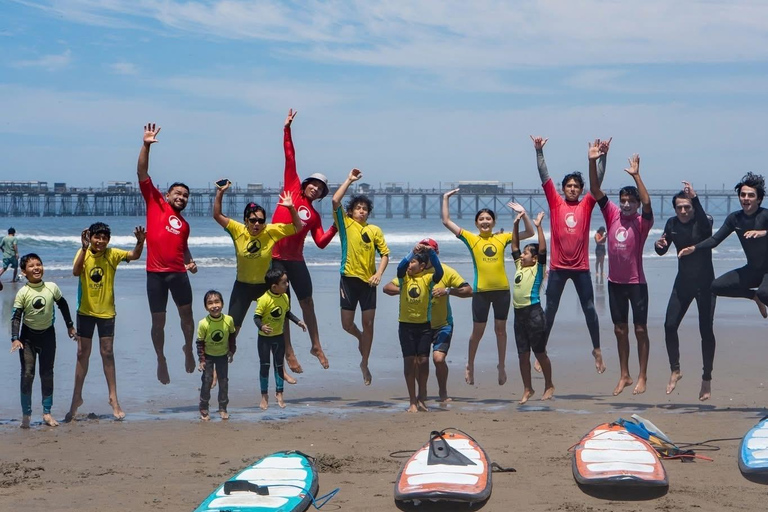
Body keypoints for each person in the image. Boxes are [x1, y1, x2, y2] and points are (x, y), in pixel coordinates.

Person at [531, 136, 610, 373]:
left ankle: (597, 350)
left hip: (581, 269)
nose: (573, 189)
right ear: (563, 189)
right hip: (557, 268)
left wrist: (602, 157)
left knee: (589, 310)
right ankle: (541, 351)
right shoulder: (555, 203)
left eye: (576, 186)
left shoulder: (587, 203)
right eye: (569, 186)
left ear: (582, 190)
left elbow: (598, 181)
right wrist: (539, 151)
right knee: (550, 311)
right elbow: (544, 176)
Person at [441, 188, 533, 386]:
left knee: (501, 331)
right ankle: (470, 365)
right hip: (481, 292)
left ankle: (501, 365)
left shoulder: (502, 237)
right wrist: (445, 198)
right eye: (481, 219)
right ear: (476, 223)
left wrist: (523, 214)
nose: (485, 221)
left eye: (488, 219)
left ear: (494, 222)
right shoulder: (471, 239)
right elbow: (446, 221)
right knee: (478, 332)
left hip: (502, 291)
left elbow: (529, 232)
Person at [271, 109, 336, 378]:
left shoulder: (316, 216)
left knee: (307, 301)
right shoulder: (292, 186)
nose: (316, 189)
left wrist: (336, 227)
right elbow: (290, 156)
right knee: (283, 307)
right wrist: (287, 129)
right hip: (275, 257)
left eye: (321, 189)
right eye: (314, 185)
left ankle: (316, 345)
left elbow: (320, 242)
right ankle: (289, 351)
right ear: (307, 183)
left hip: (296, 260)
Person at [66, 223, 146, 422]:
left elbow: (134, 255)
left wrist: (140, 242)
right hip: (85, 311)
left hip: (107, 313)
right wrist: (84, 248)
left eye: (104, 238)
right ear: (90, 237)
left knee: (107, 353)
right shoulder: (83, 253)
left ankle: (113, 398)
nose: (100, 241)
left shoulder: (112, 254)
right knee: (82, 353)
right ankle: (76, 397)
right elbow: (76, 271)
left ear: (108, 240)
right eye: (97, 237)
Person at [138, 123, 198, 385]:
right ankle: (160, 358)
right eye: (178, 193)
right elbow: (142, 172)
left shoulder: (185, 225)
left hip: (178, 275)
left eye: (185, 196)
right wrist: (146, 145)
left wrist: (190, 261)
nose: (182, 197)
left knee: (188, 318)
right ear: (167, 194)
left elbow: (183, 247)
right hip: (155, 276)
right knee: (158, 322)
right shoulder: (156, 203)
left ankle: (188, 347)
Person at [589, 151, 653, 396]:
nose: (626, 204)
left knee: (640, 330)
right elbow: (595, 190)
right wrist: (592, 161)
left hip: (636, 283)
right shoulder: (612, 214)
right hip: (614, 283)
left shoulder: (642, 222)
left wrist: (637, 176)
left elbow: (648, 203)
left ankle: (642, 375)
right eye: (623, 200)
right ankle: (624, 375)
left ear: (636, 204)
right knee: (619, 330)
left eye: (630, 201)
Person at [383, 238, 472, 402]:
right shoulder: (413, 271)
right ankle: (422, 392)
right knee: (418, 361)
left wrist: (447, 290)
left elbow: (469, 290)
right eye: (421, 251)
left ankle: (443, 392)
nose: (424, 254)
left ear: (436, 253)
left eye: (428, 251)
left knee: (438, 359)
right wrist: (406, 290)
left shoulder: (445, 271)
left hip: (442, 324)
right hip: (420, 325)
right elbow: (387, 287)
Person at [213, 182, 302, 337]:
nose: (257, 224)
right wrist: (220, 193)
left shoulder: (270, 231)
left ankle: (278, 350)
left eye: (261, 221)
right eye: (253, 220)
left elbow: (297, 227)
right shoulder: (237, 229)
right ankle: (229, 350)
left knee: (273, 325)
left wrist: (291, 208)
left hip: (265, 287)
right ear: (246, 220)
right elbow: (217, 215)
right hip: (242, 286)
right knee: (232, 330)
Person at [655, 182, 716, 401]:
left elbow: (708, 230)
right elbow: (662, 249)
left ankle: (706, 378)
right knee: (669, 325)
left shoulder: (703, 221)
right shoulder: (671, 223)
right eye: (679, 207)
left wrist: (695, 198)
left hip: (706, 285)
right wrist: (659, 245)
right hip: (683, 283)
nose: (683, 211)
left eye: (687, 207)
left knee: (705, 330)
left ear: (693, 207)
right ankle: (675, 370)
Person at [679, 172, 768, 322]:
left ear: (758, 199)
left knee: (764, 293)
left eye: (751, 195)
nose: (746, 198)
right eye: (743, 195)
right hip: (752, 270)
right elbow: (715, 240)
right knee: (717, 286)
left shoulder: (765, 215)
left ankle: (760, 296)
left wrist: (764, 233)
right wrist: (694, 248)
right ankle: (754, 297)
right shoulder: (735, 218)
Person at [332, 169, 390, 385]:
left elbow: (385, 255)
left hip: (368, 283)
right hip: (348, 280)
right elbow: (335, 200)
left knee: (369, 324)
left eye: (365, 209)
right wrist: (349, 180)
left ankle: (364, 363)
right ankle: (359, 338)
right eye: (358, 208)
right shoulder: (345, 224)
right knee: (347, 325)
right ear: (351, 211)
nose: (362, 212)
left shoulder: (375, 230)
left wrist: (378, 273)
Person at [10, 254, 77, 428]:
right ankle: (26, 415)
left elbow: (63, 305)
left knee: (47, 374)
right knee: (27, 374)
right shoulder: (23, 292)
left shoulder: (51, 287)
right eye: (31, 266)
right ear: (24, 272)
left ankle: (47, 413)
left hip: (48, 336)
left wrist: (70, 326)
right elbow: (16, 317)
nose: (36, 268)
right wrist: (15, 339)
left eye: (38, 264)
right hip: (27, 339)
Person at [384, 244, 444, 412]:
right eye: (410, 262)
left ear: (422, 266)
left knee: (423, 361)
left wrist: (430, 252)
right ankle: (412, 401)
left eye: (413, 262)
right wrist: (412, 252)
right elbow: (400, 267)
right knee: (410, 362)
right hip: (406, 326)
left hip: (424, 326)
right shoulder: (404, 279)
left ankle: (422, 396)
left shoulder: (428, 279)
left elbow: (439, 272)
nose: (410, 265)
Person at [512, 211, 554, 404]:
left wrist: (538, 227)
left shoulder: (538, 269)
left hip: (534, 314)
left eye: (526, 253)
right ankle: (527, 388)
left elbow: (543, 250)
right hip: (518, 315)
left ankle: (549, 384)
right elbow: (514, 246)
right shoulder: (519, 267)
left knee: (539, 353)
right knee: (522, 355)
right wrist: (515, 225)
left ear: (534, 258)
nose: (521, 255)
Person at [254, 269, 306, 410]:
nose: (287, 284)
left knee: (278, 366)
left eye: (287, 281)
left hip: (278, 337)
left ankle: (279, 394)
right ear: (274, 286)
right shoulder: (264, 299)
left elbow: (287, 313)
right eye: (284, 283)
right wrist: (262, 326)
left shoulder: (284, 297)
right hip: (264, 339)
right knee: (265, 366)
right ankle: (264, 396)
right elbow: (256, 317)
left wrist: (298, 321)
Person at [196, 290, 237, 421]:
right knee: (207, 381)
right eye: (210, 303)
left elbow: (232, 336)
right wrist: (201, 360)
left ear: (222, 304)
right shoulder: (203, 323)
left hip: (222, 355)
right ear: (206, 307)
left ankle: (223, 408)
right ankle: (204, 407)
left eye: (217, 302)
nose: (214, 306)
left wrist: (232, 351)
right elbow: (200, 343)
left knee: (223, 381)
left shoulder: (228, 320)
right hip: (208, 356)